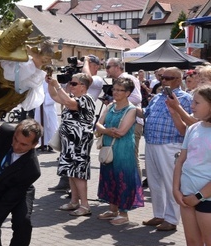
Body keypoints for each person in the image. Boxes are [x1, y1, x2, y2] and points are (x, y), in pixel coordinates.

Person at [170, 85, 211, 246]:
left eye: (196, 103)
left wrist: (199, 196)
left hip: (204, 200)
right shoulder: (193, 128)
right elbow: (181, 160)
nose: (191, 106)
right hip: (187, 198)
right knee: (193, 245)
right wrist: (176, 189)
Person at [141, 67, 192, 232]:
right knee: (155, 182)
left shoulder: (185, 99)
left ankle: (171, 219)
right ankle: (159, 214)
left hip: (170, 144)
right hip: (151, 142)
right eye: (162, 77)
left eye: (168, 78)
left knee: (171, 182)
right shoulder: (157, 97)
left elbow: (192, 122)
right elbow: (146, 113)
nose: (164, 81)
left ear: (178, 80)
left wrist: (176, 109)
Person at [95, 77, 144, 224]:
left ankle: (123, 214)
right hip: (109, 146)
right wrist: (107, 130)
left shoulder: (131, 109)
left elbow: (122, 132)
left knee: (123, 179)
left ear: (128, 93)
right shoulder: (110, 106)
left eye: (119, 90)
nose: (115, 92)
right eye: (114, 89)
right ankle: (112, 209)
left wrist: (104, 130)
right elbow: (98, 123)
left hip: (123, 149)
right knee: (109, 177)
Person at [46, 72, 95, 216]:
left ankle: (85, 205)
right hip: (70, 143)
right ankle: (74, 201)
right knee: (71, 172)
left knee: (79, 173)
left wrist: (57, 86)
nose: (70, 85)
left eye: (73, 83)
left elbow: (69, 103)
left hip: (79, 142)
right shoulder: (74, 97)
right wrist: (50, 85)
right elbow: (55, 97)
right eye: (70, 83)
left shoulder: (86, 99)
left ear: (83, 86)